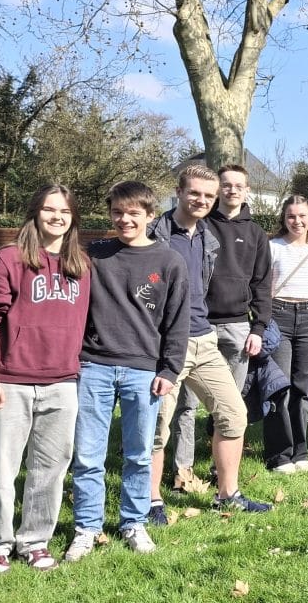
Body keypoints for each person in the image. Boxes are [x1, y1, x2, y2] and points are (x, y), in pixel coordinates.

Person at [67, 181, 189, 562]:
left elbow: (177, 322)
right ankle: (87, 527)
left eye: (134, 213)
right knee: (88, 455)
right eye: (118, 212)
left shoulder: (169, 261)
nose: (125, 219)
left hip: (143, 371)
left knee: (138, 454)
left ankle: (132, 522)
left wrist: (169, 370)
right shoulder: (95, 256)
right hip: (94, 366)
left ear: (151, 216)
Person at [0, 185, 91, 573]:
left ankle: (35, 541)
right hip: (10, 381)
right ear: (35, 213)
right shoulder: (9, 259)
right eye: (48, 209)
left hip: (63, 382)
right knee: (1, 471)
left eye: (64, 211)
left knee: (50, 469)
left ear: (73, 218)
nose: (56, 216)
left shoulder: (81, 266)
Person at [148, 166, 274, 522]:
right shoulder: (155, 234)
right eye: (195, 193)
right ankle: (152, 499)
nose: (201, 200)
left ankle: (227, 494)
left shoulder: (207, 236)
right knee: (156, 426)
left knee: (234, 416)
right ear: (179, 192)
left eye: (208, 195)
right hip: (165, 344)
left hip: (203, 339)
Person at [266, 194, 308, 472]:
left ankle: (300, 451)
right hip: (279, 315)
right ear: (284, 218)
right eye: (291, 216)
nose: (297, 221)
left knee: (303, 390)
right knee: (279, 388)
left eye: (302, 216)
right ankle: (279, 454)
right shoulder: (272, 247)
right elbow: (266, 289)